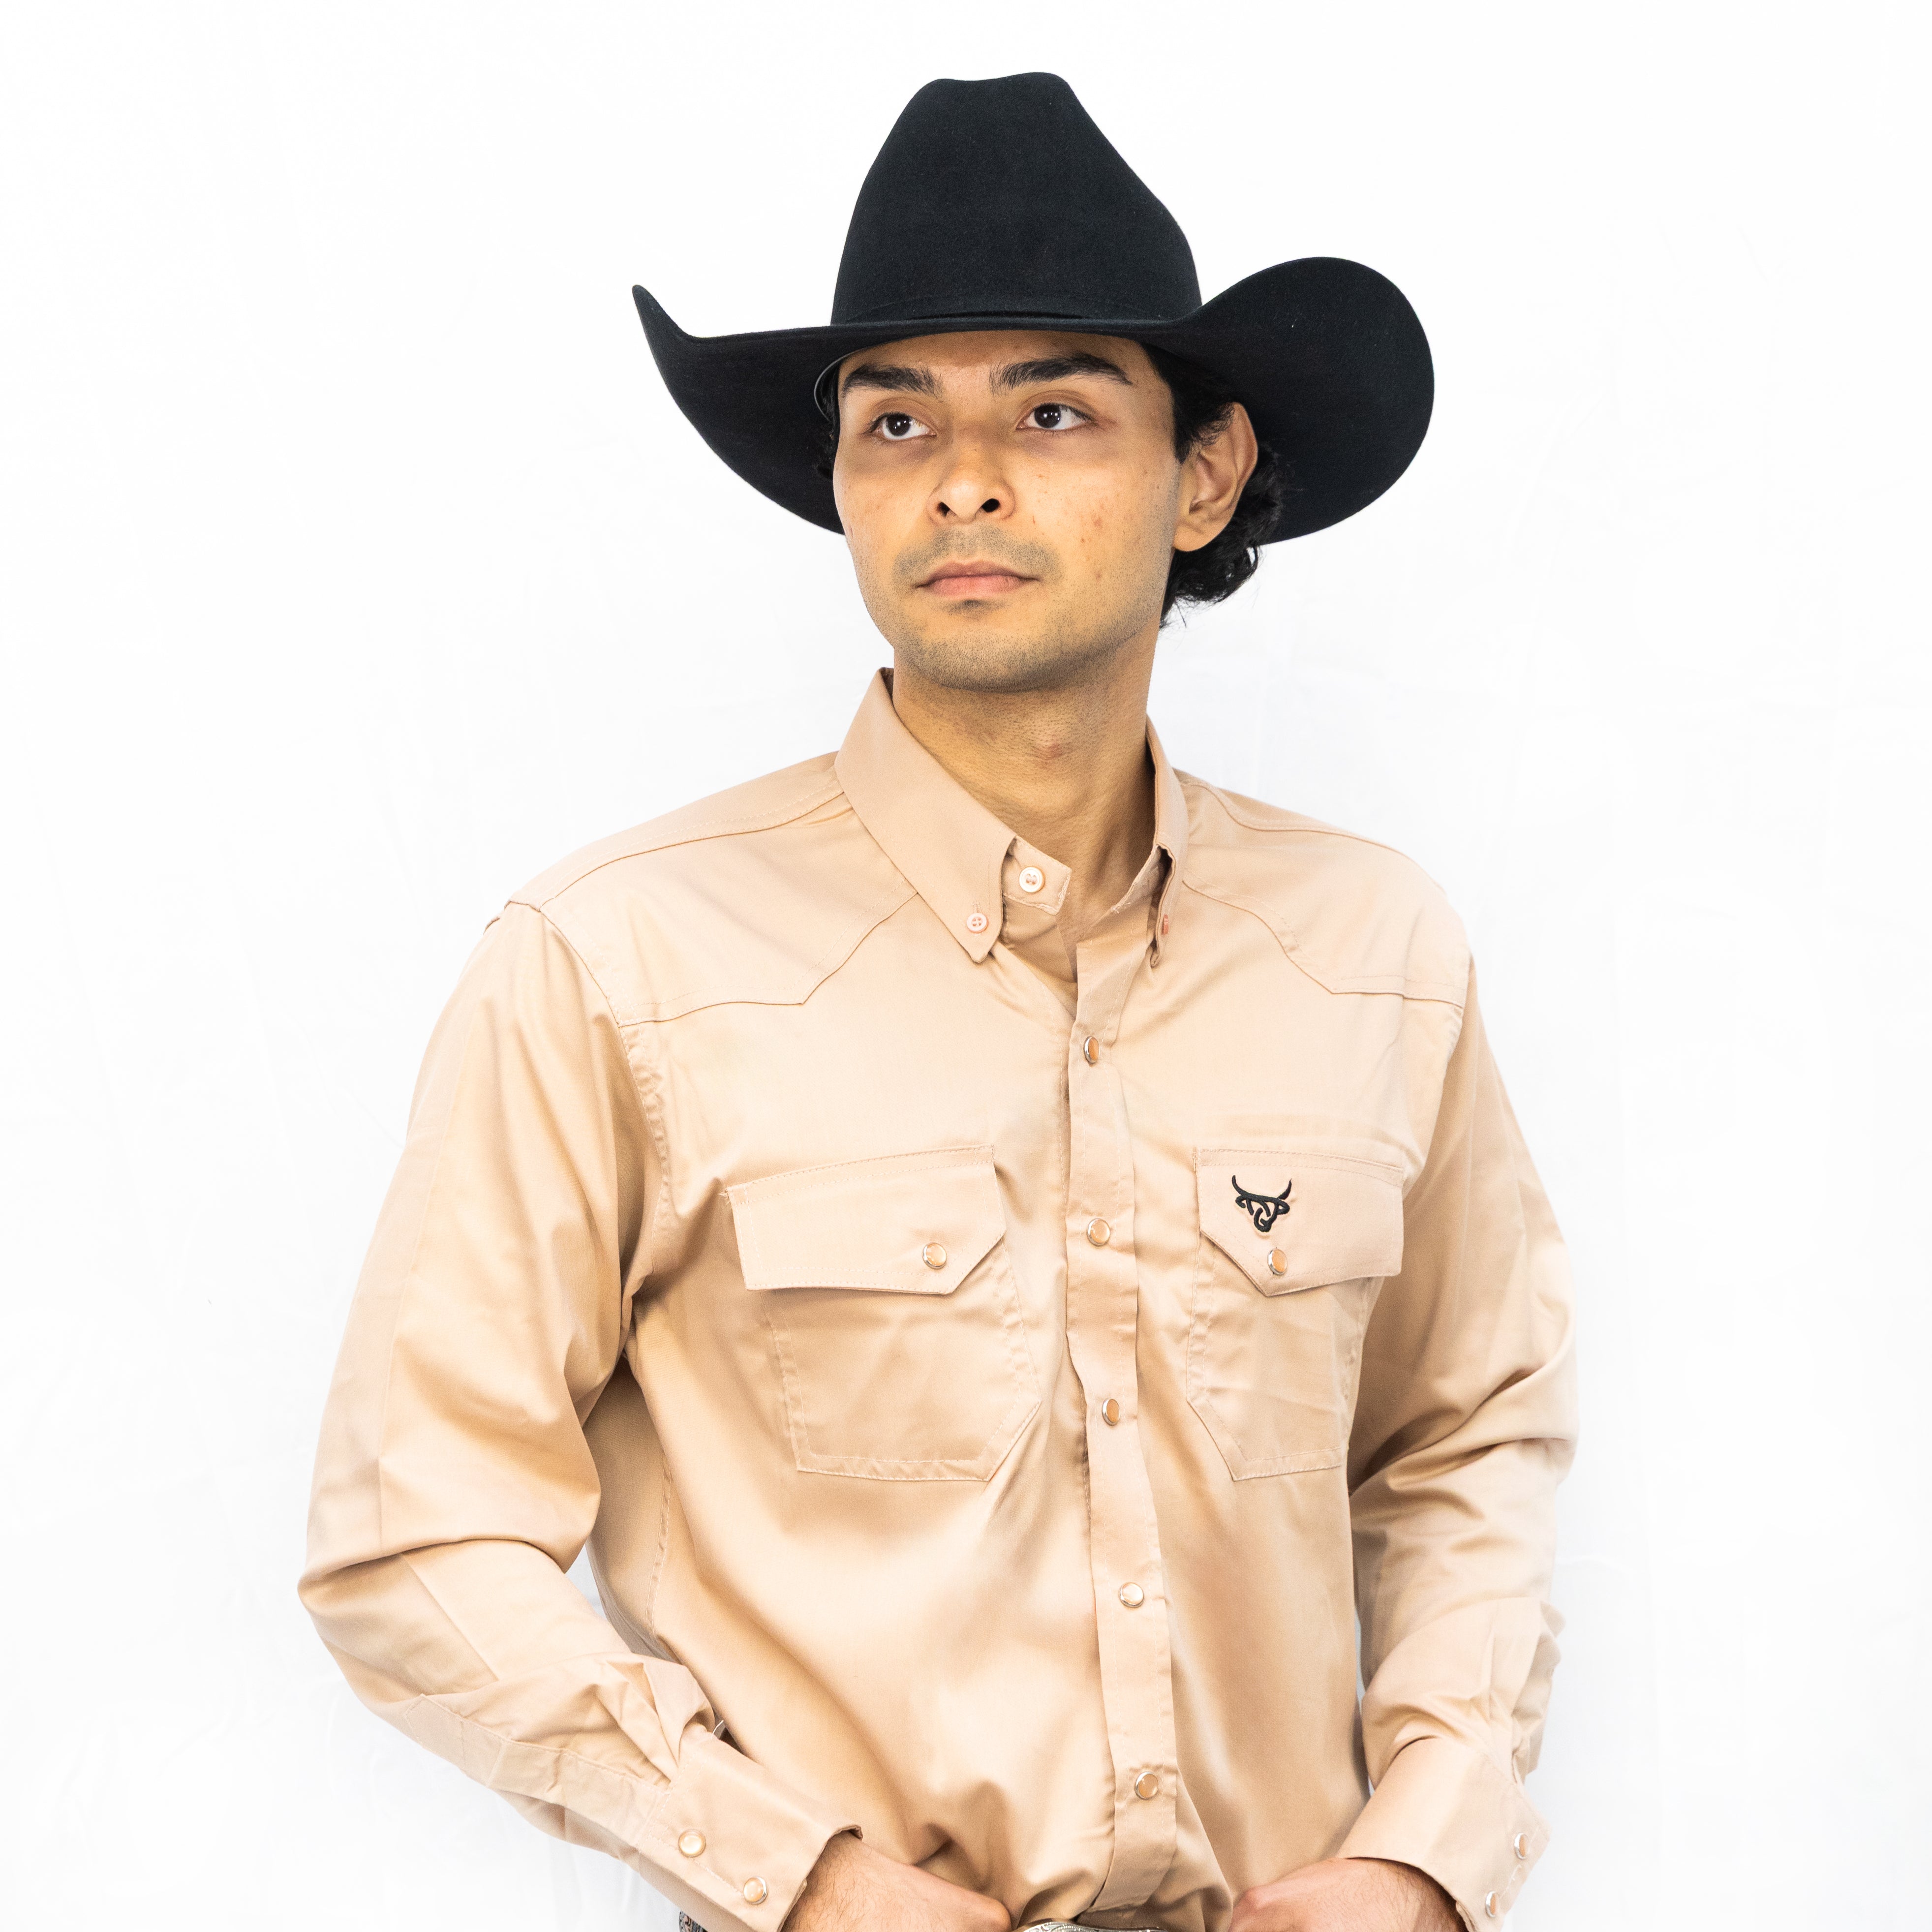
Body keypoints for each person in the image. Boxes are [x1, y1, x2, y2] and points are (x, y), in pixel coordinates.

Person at [301, 71, 1576, 1932]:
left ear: (1204, 474)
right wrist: (791, 1877)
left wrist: (1423, 1851)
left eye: (1052, 410)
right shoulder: (617, 961)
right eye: (896, 419)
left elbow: (1463, 1438)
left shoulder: (1372, 947)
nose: (962, 477)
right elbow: (414, 1532)